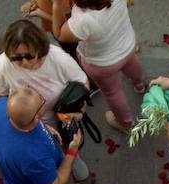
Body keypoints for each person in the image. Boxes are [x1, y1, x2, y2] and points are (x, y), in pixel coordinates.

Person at [52, 0, 144, 133]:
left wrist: (56, 5)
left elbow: (60, 34)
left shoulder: (82, 19)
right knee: (132, 63)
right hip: (128, 44)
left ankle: (125, 123)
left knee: (113, 92)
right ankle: (140, 85)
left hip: (103, 63)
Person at [0, 18, 90, 127]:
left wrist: (78, 113)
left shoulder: (58, 58)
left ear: (39, 48)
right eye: (16, 58)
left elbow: (83, 83)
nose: (24, 62)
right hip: (28, 127)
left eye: (29, 56)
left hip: (61, 123)